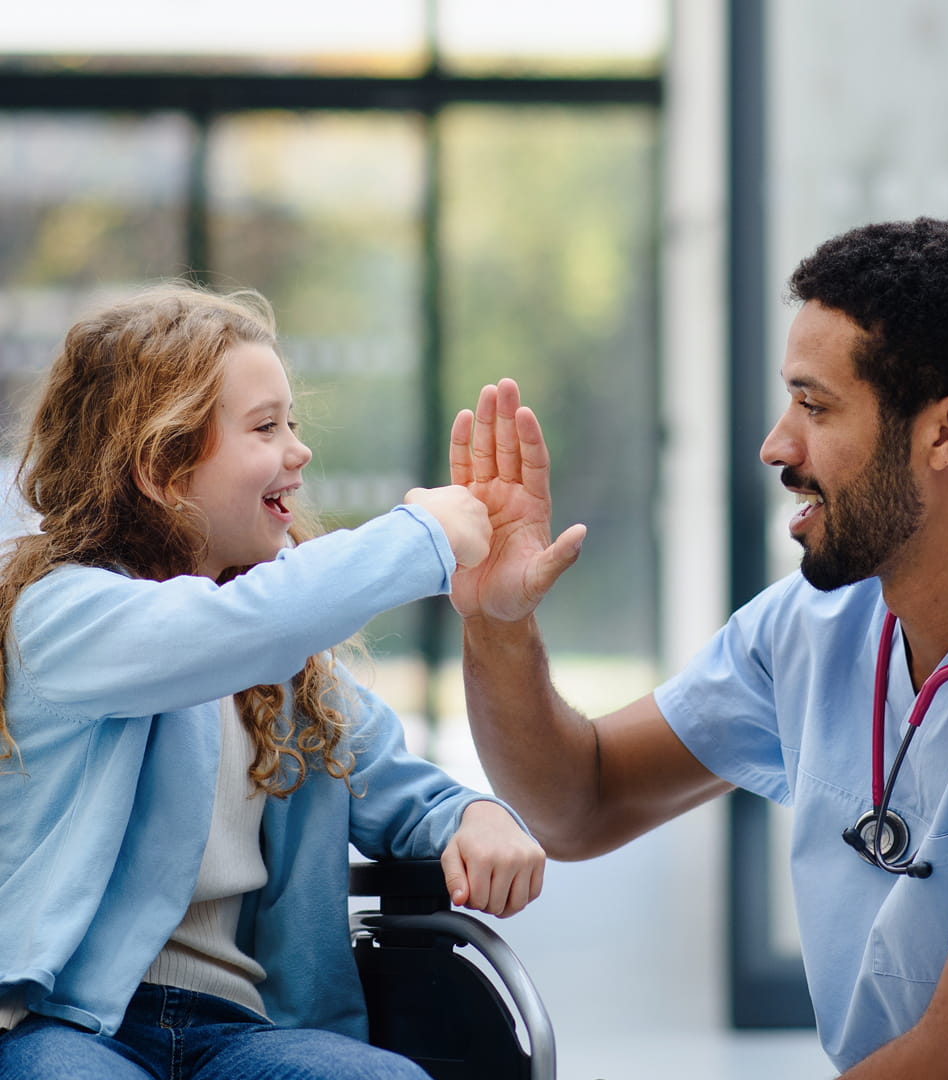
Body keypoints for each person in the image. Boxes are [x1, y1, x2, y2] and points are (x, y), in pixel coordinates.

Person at [449, 218, 948, 1078]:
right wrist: (497, 621)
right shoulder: (817, 626)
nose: (777, 446)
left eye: (816, 407)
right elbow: (577, 804)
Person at [0, 282, 545, 1080]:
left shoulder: (287, 668)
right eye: (265, 427)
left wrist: (474, 816)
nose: (300, 449)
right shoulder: (64, 617)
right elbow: (226, 632)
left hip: (242, 1031)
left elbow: (395, 785)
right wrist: (421, 537)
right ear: (161, 466)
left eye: (292, 422)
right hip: (69, 1025)